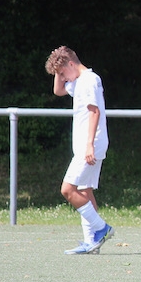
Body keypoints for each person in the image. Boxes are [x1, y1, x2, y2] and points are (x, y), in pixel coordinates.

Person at [45, 46, 114, 255]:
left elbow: (94, 112)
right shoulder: (79, 81)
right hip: (86, 146)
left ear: (71, 64)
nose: (63, 78)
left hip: (89, 145)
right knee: (84, 190)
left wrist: (89, 144)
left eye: (63, 73)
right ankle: (91, 242)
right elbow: (58, 91)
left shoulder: (89, 80)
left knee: (67, 189)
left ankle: (102, 228)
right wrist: (57, 69)